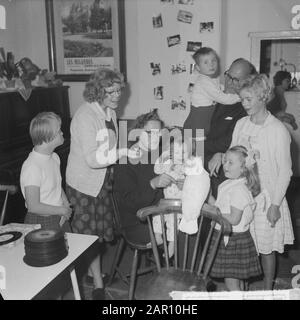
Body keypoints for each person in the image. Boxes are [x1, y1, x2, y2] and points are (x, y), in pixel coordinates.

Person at [65, 68, 130, 300]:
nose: (116, 95)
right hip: (83, 185)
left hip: (101, 181)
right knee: (85, 237)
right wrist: (125, 153)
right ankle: (85, 283)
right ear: (97, 91)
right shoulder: (85, 116)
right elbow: (93, 160)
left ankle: (97, 281)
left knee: (97, 235)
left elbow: (110, 146)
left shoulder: (110, 111)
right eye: (110, 91)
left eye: (118, 90)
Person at [227, 74, 294, 290]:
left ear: (262, 97)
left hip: (267, 197)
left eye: (248, 99)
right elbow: (233, 155)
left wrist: (275, 205)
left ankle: (267, 290)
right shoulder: (241, 124)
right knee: (243, 246)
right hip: (243, 195)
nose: (243, 104)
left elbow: (285, 171)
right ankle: (243, 290)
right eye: (242, 99)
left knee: (266, 248)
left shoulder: (277, 129)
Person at [113, 109, 176, 246]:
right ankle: (170, 265)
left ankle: (177, 266)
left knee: (189, 225)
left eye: (158, 133)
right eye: (149, 133)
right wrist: (152, 184)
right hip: (137, 221)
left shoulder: (160, 155)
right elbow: (129, 203)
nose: (154, 137)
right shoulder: (125, 162)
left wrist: (178, 183)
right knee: (180, 233)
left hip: (161, 213)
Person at [208, 145, 262, 291]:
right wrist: (207, 196)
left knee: (231, 282)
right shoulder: (227, 184)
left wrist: (213, 213)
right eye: (225, 161)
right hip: (225, 235)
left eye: (230, 163)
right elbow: (219, 206)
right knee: (235, 281)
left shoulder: (239, 189)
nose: (225, 165)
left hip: (234, 239)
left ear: (243, 168)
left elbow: (233, 218)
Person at [206, 58, 257, 197]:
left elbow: (228, 142)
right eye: (228, 75)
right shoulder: (216, 97)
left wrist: (196, 143)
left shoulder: (244, 108)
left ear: (247, 82)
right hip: (202, 165)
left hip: (222, 172)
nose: (229, 82)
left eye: (236, 80)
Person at [20, 112, 72, 231]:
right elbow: (33, 206)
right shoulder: (32, 166)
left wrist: (65, 204)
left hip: (58, 214)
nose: (62, 133)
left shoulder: (54, 157)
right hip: (41, 220)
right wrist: (61, 210)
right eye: (59, 130)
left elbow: (56, 186)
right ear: (48, 137)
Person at [183, 47, 240, 137]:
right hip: (197, 123)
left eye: (213, 61)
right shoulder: (204, 81)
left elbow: (218, 89)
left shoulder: (210, 80)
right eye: (206, 62)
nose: (211, 65)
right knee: (198, 149)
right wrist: (239, 97)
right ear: (198, 67)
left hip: (203, 120)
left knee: (197, 149)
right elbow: (223, 98)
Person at [152, 138, 187, 257]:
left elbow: (195, 183)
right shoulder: (167, 163)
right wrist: (164, 156)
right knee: (156, 214)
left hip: (179, 203)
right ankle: (158, 235)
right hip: (166, 201)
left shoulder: (187, 166)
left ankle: (172, 245)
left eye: (183, 152)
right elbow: (156, 169)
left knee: (172, 222)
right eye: (176, 152)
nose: (180, 156)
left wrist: (186, 184)